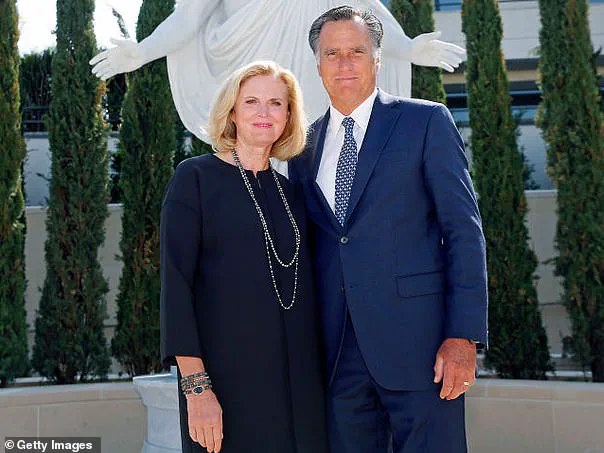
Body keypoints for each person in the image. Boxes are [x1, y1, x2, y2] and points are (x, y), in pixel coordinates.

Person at [288, 6, 488, 453]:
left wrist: (463, 335)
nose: (344, 63)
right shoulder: (302, 147)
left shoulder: (425, 121)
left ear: (377, 58)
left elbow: (463, 230)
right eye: (332, 53)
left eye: (356, 51)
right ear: (317, 64)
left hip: (422, 348)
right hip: (337, 356)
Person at [160, 60, 328, 453]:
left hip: (301, 389)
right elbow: (176, 287)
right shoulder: (194, 178)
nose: (264, 112)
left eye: (276, 103)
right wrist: (197, 390)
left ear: (289, 116)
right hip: (224, 385)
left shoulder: (294, 192)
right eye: (251, 101)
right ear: (232, 112)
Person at [89, 0, 466, 144]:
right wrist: (143, 51)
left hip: (312, 96)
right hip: (256, 89)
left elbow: (365, 16)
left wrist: (409, 48)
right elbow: (187, 19)